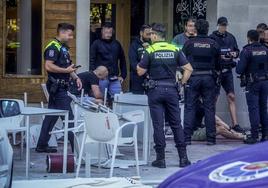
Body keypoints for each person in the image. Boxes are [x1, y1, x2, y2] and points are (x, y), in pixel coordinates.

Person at [137, 23, 193, 168]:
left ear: (155, 36)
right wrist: (182, 83)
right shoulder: (175, 48)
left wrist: (141, 63)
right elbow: (188, 69)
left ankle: (160, 159)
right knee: (176, 124)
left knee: (158, 125)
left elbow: (140, 72)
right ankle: (183, 158)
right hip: (172, 90)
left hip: (155, 90)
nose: (150, 37)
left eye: (151, 35)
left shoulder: (150, 50)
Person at [36, 23, 82, 153]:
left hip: (61, 86)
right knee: (69, 117)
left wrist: (75, 77)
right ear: (61, 33)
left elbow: (68, 67)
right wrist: (65, 70)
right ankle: (77, 150)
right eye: (69, 34)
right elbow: (48, 66)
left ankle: (42, 145)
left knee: (52, 115)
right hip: (57, 87)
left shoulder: (64, 48)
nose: (71, 37)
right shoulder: (53, 47)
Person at [183, 19, 221, 145]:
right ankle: (211, 138)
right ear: (208, 29)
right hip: (209, 78)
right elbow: (219, 64)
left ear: (196, 29)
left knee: (190, 107)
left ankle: (187, 137)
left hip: (193, 78)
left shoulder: (189, 43)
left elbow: (183, 62)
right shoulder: (214, 44)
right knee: (209, 108)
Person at [209, 17, 245, 133]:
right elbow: (210, 55)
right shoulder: (212, 37)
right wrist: (220, 57)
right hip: (216, 71)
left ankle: (235, 124)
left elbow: (237, 51)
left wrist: (234, 54)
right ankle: (211, 123)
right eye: (222, 25)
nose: (223, 28)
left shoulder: (231, 37)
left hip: (228, 70)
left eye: (225, 26)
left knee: (231, 96)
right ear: (218, 25)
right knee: (214, 98)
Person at [236, 30, 268, 144]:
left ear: (248, 38)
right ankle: (265, 135)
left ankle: (254, 136)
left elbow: (239, 70)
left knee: (253, 109)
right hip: (265, 82)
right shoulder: (265, 49)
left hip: (253, 83)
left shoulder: (247, 50)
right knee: (263, 108)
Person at [90, 22, 127, 100]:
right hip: (101, 78)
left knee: (118, 99)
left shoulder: (117, 44)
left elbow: (123, 60)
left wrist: (123, 75)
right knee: (101, 99)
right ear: (102, 31)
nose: (108, 34)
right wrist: (94, 76)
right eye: (106, 32)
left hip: (114, 78)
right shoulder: (96, 43)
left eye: (110, 32)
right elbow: (91, 60)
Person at [128, 24, 152, 94]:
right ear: (141, 33)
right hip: (137, 77)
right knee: (137, 99)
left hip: (151, 77)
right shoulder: (134, 45)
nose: (149, 36)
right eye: (147, 34)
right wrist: (143, 72)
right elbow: (133, 62)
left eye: (150, 34)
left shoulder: (152, 44)